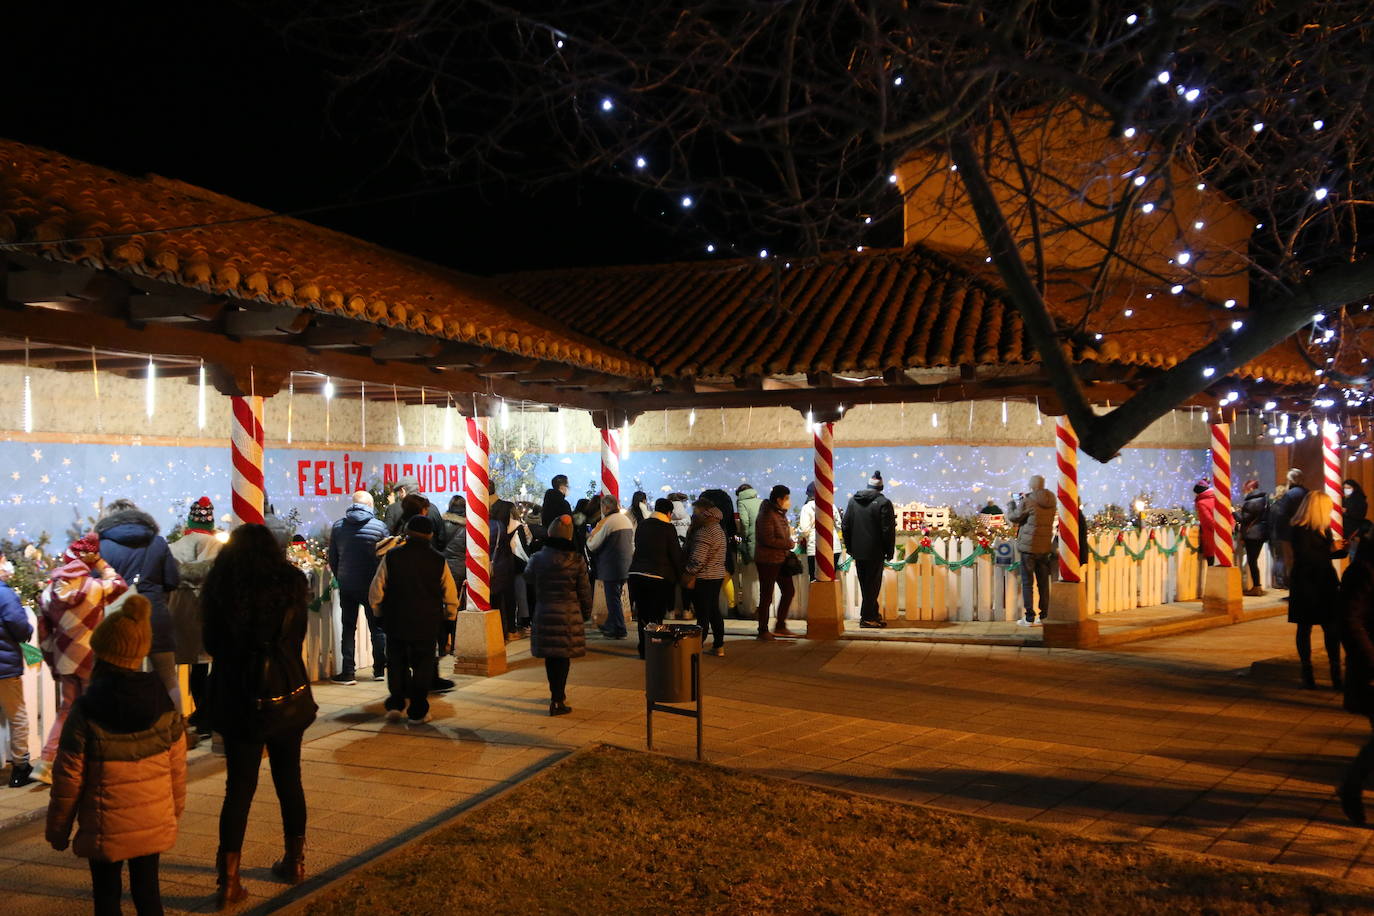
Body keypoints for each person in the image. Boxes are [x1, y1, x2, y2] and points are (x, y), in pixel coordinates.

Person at [45, 594, 186, 916]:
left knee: (106, 898)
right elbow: (177, 769)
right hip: (151, 820)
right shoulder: (162, 703)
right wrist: (172, 813)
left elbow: (67, 780)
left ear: (102, 654)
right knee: (148, 893)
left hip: (103, 827)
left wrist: (58, 829)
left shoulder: (85, 711)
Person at [202, 523, 316, 905]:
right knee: (290, 780)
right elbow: (297, 634)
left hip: (239, 697)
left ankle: (229, 879)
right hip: (287, 690)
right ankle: (295, 861)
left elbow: (212, 644)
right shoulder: (290, 582)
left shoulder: (222, 586)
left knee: (239, 788)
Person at [35, 534, 127, 784]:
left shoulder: (47, 594)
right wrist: (100, 564)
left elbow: (44, 635)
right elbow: (120, 584)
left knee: (67, 709)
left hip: (65, 659)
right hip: (90, 657)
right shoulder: (94, 588)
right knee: (95, 710)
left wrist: (53, 663)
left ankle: (45, 762)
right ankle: (93, 762)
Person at [370, 516, 460, 725]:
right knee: (423, 665)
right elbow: (450, 594)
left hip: (396, 619)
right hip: (427, 622)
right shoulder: (438, 559)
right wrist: (449, 619)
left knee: (396, 663)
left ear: (408, 532)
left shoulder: (392, 557)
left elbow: (376, 589)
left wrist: (378, 614)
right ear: (430, 535)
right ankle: (418, 709)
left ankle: (396, 703)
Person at [96, 499, 182, 712]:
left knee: (121, 680)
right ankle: (176, 729)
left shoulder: (102, 545)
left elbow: (93, 585)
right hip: (155, 616)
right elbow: (172, 580)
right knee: (168, 679)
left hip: (120, 618)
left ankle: (124, 729)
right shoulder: (158, 543)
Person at [168, 496, 223, 742]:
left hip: (180, 609)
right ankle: (207, 716)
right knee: (210, 664)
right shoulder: (216, 546)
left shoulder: (175, 547)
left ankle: (198, 715)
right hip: (207, 609)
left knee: (193, 667)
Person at [528, 515, 592, 716]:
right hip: (568, 614)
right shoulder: (577, 560)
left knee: (550, 657)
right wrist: (586, 613)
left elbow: (528, 578)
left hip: (545, 611)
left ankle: (554, 695)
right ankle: (558, 698)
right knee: (563, 659)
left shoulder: (537, 558)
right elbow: (584, 590)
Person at [327, 491, 390, 686]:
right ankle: (379, 670)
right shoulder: (380, 527)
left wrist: (341, 577)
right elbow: (387, 558)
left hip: (347, 585)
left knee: (348, 628)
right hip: (372, 585)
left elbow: (333, 558)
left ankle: (348, 673)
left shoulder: (338, 527)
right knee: (377, 628)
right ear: (370, 505)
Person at [1289, 491, 1345, 690]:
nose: (1330, 510)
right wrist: (1329, 549)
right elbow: (1306, 557)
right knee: (1305, 627)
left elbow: (1325, 555)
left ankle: (1336, 672)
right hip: (1307, 584)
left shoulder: (1324, 529)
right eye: (1328, 507)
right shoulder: (1301, 529)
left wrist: (1339, 548)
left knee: (1332, 628)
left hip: (1324, 583)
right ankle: (1307, 671)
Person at [1338, 520, 1374, 825]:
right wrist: (1370, 662)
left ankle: (1351, 786)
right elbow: (1350, 621)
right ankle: (1351, 787)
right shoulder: (1363, 570)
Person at [628, 497, 685, 658]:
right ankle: (655, 647)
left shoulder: (643, 525)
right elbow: (675, 555)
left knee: (643, 614)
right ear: (668, 512)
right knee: (656, 615)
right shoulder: (668, 528)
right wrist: (681, 577)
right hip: (658, 577)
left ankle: (644, 648)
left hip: (637, 575)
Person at [842, 471, 898, 629]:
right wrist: (889, 550)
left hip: (858, 551)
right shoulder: (884, 503)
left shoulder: (853, 501)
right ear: (881, 487)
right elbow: (887, 530)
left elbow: (845, 525)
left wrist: (851, 547)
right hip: (875, 551)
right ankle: (867, 618)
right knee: (872, 586)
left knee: (866, 586)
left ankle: (873, 614)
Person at [0, 555, 34, 787]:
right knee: (17, 715)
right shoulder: (4, 594)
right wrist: (28, 628)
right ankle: (21, 767)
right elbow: (18, 624)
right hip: (5, 668)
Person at [1006, 475, 1057, 627]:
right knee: (1043, 583)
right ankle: (1044, 615)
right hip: (1044, 547)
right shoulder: (1051, 499)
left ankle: (1029, 617)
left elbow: (1015, 517)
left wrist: (1011, 505)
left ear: (1032, 486)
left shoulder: (1028, 501)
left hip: (1029, 548)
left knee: (1028, 583)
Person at [754, 485, 799, 640]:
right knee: (766, 595)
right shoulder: (767, 514)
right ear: (779, 499)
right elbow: (767, 539)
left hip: (780, 559)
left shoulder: (779, 513)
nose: (789, 502)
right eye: (787, 498)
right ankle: (763, 629)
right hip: (768, 560)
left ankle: (780, 625)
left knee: (789, 590)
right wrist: (788, 543)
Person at [684, 498, 728, 656]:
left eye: (695, 513)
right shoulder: (718, 528)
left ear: (704, 513)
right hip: (716, 576)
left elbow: (698, 559)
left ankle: (696, 646)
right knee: (714, 611)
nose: (693, 516)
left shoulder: (705, 531)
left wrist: (688, 573)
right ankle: (719, 645)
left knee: (703, 614)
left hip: (704, 578)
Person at [587, 496, 634, 640]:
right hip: (626, 564)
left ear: (606, 507)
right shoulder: (626, 520)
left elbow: (593, 544)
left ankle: (619, 629)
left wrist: (589, 536)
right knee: (616, 597)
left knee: (612, 599)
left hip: (611, 566)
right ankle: (610, 624)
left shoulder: (608, 522)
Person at [700, 488, 740, 616]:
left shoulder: (703, 524)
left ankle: (706, 608)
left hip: (704, 541)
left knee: (705, 577)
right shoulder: (725, 503)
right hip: (723, 539)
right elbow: (732, 526)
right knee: (726, 575)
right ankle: (732, 607)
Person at [1271, 468, 1308, 589]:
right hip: (1306, 533)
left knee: (1290, 562)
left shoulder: (1289, 495)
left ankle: (1294, 587)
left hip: (1289, 534)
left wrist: (1279, 534)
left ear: (1291, 480)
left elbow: (1282, 516)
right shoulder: (1308, 494)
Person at [441, 494, 469, 650]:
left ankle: (443, 641)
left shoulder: (441, 523)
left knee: (442, 605)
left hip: (442, 568)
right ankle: (454, 644)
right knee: (456, 606)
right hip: (459, 569)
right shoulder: (468, 527)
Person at [489, 499, 519, 639]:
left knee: (493, 601)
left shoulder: (483, 525)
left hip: (488, 567)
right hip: (502, 566)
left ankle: (495, 632)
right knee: (507, 600)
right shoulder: (500, 526)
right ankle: (508, 630)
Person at [1238, 479, 1270, 597]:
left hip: (1252, 534)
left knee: (1252, 561)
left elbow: (1243, 518)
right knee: (1253, 560)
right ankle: (1257, 586)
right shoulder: (1264, 499)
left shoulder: (1252, 501)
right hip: (1260, 533)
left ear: (1250, 489)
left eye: (1245, 489)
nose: (1244, 492)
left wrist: (1233, 512)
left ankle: (1257, 587)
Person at [1193, 479, 1218, 567]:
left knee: (1211, 567)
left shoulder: (1201, 503)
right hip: (1222, 539)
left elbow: (1207, 521)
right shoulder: (1217, 498)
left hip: (1211, 537)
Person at [797, 482, 818, 581]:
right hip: (830, 548)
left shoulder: (806, 508)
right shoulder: (829, 506)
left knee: (814, 581)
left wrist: (799, 533)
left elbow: (804, 530)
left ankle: (816, 597)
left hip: (813, 547)